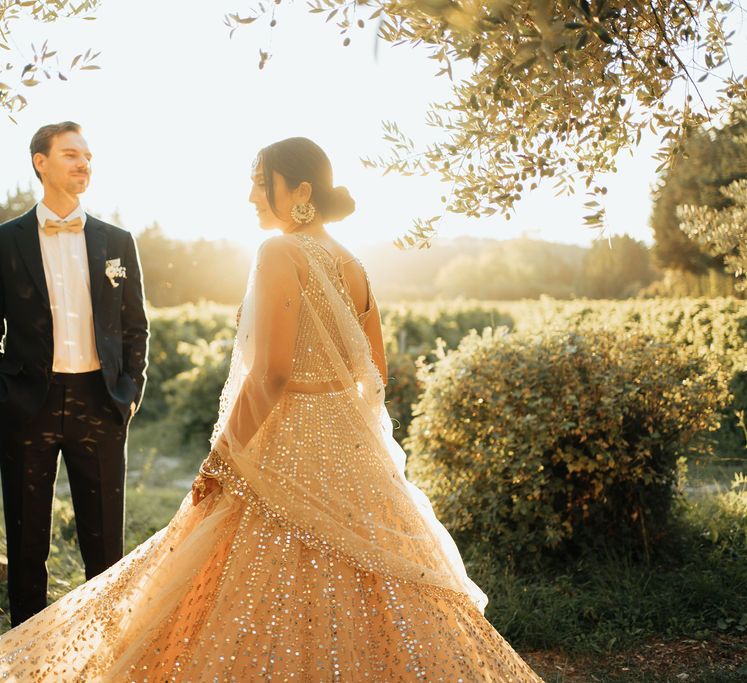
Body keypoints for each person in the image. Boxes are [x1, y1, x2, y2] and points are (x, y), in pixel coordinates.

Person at [0, 137, 542, 681]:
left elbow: (273, 374)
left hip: (282, 438)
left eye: (261, 182)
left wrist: (224, 453)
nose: (252, 195)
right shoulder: (353, 263)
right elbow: (374, 371)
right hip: (349, 444)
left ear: (299, 190)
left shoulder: (280, 252)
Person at [0, 122, 148, 627]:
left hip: (99, 400)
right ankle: (22, 650)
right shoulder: (5, 242)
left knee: (105, 540)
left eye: (87, 155)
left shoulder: (117, 241)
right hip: (26, 404)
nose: (83, 163)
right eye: (70, 154)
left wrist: (128, 393)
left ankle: (106, 642)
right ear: (40, 161)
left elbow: (135, 327)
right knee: (26, 542)